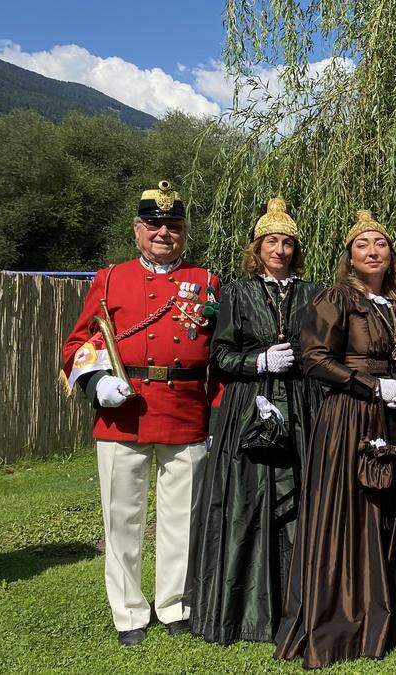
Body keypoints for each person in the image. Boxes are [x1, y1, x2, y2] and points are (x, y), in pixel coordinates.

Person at [59, 181, 219, 647]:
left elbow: (218, 353)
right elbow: (76, 345)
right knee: (122, 517)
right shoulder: (110, 279)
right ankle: (129, 611)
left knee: (180, 518)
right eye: (154, 225)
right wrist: (95, 382)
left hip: (185, 409)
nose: (163, 233)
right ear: (137, 230)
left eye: (172, 225)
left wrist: (217, 414)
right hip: (122, 411)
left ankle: (175, 605)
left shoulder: (207, 281)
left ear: (184, 232)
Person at [273, 210, 396, 668]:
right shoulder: (336, 298)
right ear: (350, 257)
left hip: (393, 416)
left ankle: (387, 617)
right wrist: (371, 386)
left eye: (380, 243)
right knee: (348, 512)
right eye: (363, 245)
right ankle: (344, 621)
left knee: (387, 512)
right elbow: (314, 358)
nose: (373, 251)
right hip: (349, 416)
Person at [189, 198, 322, 645]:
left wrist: (302, 361)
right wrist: (258, 361)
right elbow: (220, 355)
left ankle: (298, 603)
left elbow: (325, 349)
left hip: (302, 406)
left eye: (287, 243)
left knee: (301, 500)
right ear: (257, 247)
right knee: (248, 501)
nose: (279, 250)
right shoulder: (238, 293)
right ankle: (242, 611)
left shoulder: (312, 293)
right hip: (250, 407)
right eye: (271, 241)